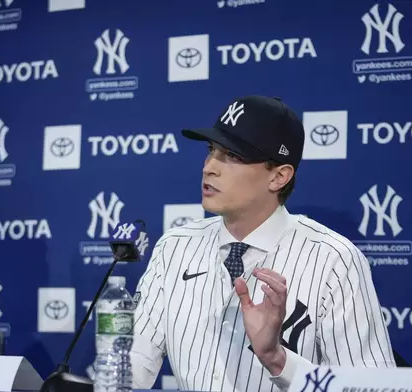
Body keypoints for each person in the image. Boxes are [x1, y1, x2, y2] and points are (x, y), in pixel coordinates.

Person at [129, 95, 395, 391]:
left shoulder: (334, 260)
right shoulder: (174, 247)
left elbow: (373, 387)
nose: (209, 167)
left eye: (232, 156)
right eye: (210, 150)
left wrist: (277, 360)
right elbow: (133, 362)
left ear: (279, 176)